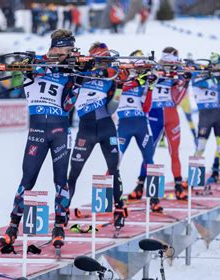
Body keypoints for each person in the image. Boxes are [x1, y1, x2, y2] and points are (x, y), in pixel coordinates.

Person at [0, 29, 79, 252]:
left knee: (61, 180)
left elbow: (67, 106)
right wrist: (37, 65)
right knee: (27, 179)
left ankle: (59, 227)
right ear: (55, 47)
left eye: (71, 49)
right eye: (66, 49)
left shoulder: (68, 69)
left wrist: (77, 80)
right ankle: (13, 226)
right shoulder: (34, 63)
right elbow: (18, 77)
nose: (69, 53)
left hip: (60, 130)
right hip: (37, 131)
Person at [67, 42, 128, 229]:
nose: (105, 64)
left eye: (107, 60)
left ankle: (119, 209)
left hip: (106, 127)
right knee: (73, 173)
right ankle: (63, 212)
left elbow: (112, 108)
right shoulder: (80, 73)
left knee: (113, 169)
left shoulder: (111, 75)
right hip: (86, 130)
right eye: (102, 60)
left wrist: (119, 87)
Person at [131, 47, 190, 200]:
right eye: (167, 64)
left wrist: (185, 82)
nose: (170, 67)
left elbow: (177, 99)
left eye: (173, 64)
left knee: (174, 152)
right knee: (149, 152)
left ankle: (178, 185)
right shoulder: (152, 70)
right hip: (154, 115)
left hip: (171, 114)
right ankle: (140, 185)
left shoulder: (176, 74)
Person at [116, 50, 161, 211]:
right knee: (114, 160)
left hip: (141, 123)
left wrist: (150, 88)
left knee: (150, 160)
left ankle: (155, 199)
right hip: (124, 124)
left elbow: (147, 107)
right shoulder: (122, 75)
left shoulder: (143, 81)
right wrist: (139, 81)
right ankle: (112, 198)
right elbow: (121, 87)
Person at [189, 53, 220, 184]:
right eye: (217, 66)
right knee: (200, 147)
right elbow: (200, 82)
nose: (219, 68)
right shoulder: (200, 76)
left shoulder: (219, 78)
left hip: (218, 114)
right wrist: (214, 77)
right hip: (205, 115)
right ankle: (193, 178)